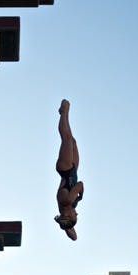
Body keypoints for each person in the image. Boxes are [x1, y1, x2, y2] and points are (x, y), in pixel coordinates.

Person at [55, 99, 84, 241]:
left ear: (68, 215)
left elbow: (80, 185)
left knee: (66, 138)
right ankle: (65, 114)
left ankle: (64, 112)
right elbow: (74, 237)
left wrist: (81, 195)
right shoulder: (64, 209)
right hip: (73, 170)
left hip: (65, 168)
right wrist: (68, 227)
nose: (77, 214)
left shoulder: (68, 200)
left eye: (74, 215)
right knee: (72, 141)